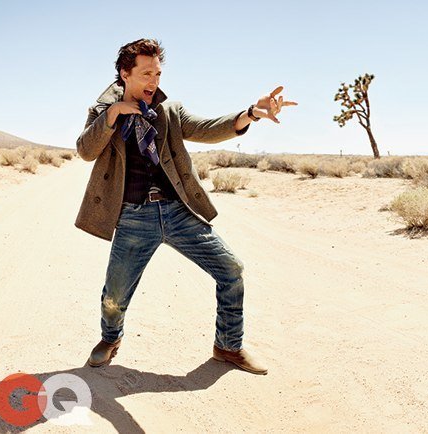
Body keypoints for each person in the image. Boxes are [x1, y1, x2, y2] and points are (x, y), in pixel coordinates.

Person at [74, 38, 296, 375]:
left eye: (158, 74)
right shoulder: (103, 112)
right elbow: (85, 150)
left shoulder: (169, 111)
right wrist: (113, 114)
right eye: (146, 74)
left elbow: (208, 129)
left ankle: (228, 346)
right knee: (115, 293)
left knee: (231, 270)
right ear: (124, 73)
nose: (153, 81)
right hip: (134, 217)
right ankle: (110, 338)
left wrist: (250, 113)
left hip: (178, 212)